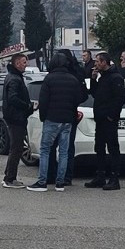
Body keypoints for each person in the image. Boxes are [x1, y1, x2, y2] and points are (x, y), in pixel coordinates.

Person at [29, 52, 84, 192]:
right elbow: (79, 98)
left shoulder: (49, 79)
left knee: (46, 150)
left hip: (52, 118)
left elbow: (43, 100)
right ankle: (61, 182)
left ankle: (42, 181)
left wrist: (43, 117)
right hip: (68, 120)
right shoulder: (73, 79)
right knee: (64, 151)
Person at [86, 52, 125, 190]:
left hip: (109, 120)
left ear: (104, 62)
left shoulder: (115, 78)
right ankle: (100, 176)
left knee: (113, 148)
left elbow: (120, 99)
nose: (95, 64)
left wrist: (111, 116)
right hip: (100, 119)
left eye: (97, 61)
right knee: (99, 148)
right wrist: (93, 79)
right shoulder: (103, 77)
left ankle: (114, 179)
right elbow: (95, 94)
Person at [48, 48, 88, 186]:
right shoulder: (77, 73)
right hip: (70, 113)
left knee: (51, 146)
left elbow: (45, 95)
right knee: (67, 147)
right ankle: (66, 176)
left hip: (54, 114)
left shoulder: (52, 74)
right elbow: (83, 95)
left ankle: (51, 175)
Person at [1, 53, 36, 189]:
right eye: (23, 62)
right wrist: (27, 106)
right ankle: (10, 178)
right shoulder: (14, 79)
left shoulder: (14, 77)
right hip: (16, 118)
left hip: (15, 117)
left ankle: (9, 175)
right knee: (16, 148)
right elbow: (13, 98)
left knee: (16, 147)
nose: (26, 64)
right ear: (16, 64)